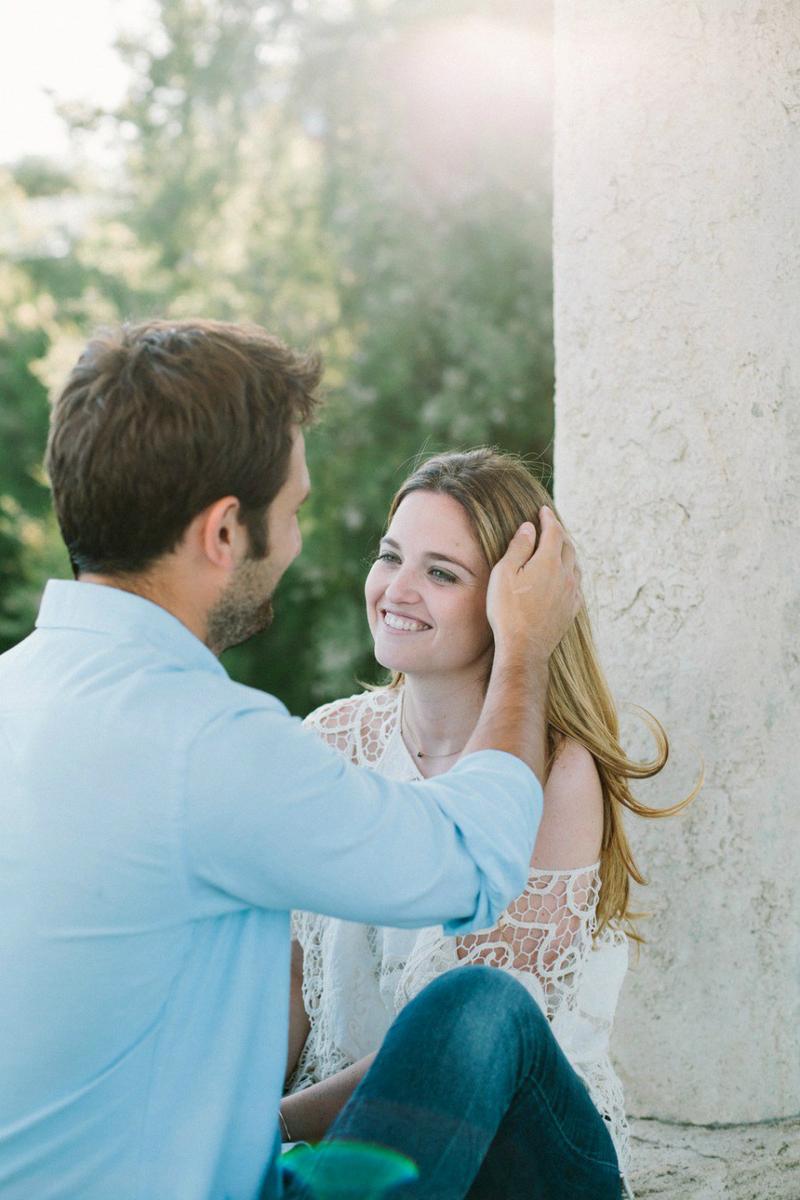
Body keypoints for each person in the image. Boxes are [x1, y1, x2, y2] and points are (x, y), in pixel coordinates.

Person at [0, 321, 586, 1200]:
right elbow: (473, 860)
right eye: (297, 509)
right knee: (485, 1009)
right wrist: (527, 652)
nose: (304, 541)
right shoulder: (210, 743)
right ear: (226, 532)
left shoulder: (17, 688)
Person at [284, 449, 699, 1200]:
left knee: (478, 1001)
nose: (397, 590)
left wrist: (268, 1129)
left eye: (442, 573)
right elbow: (281, 987)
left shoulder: (561, 776)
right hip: (345, 1155)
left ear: (515, 606)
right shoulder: (328, 742)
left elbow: (457, 1047)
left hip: (525, 1161)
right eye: (390, 556)